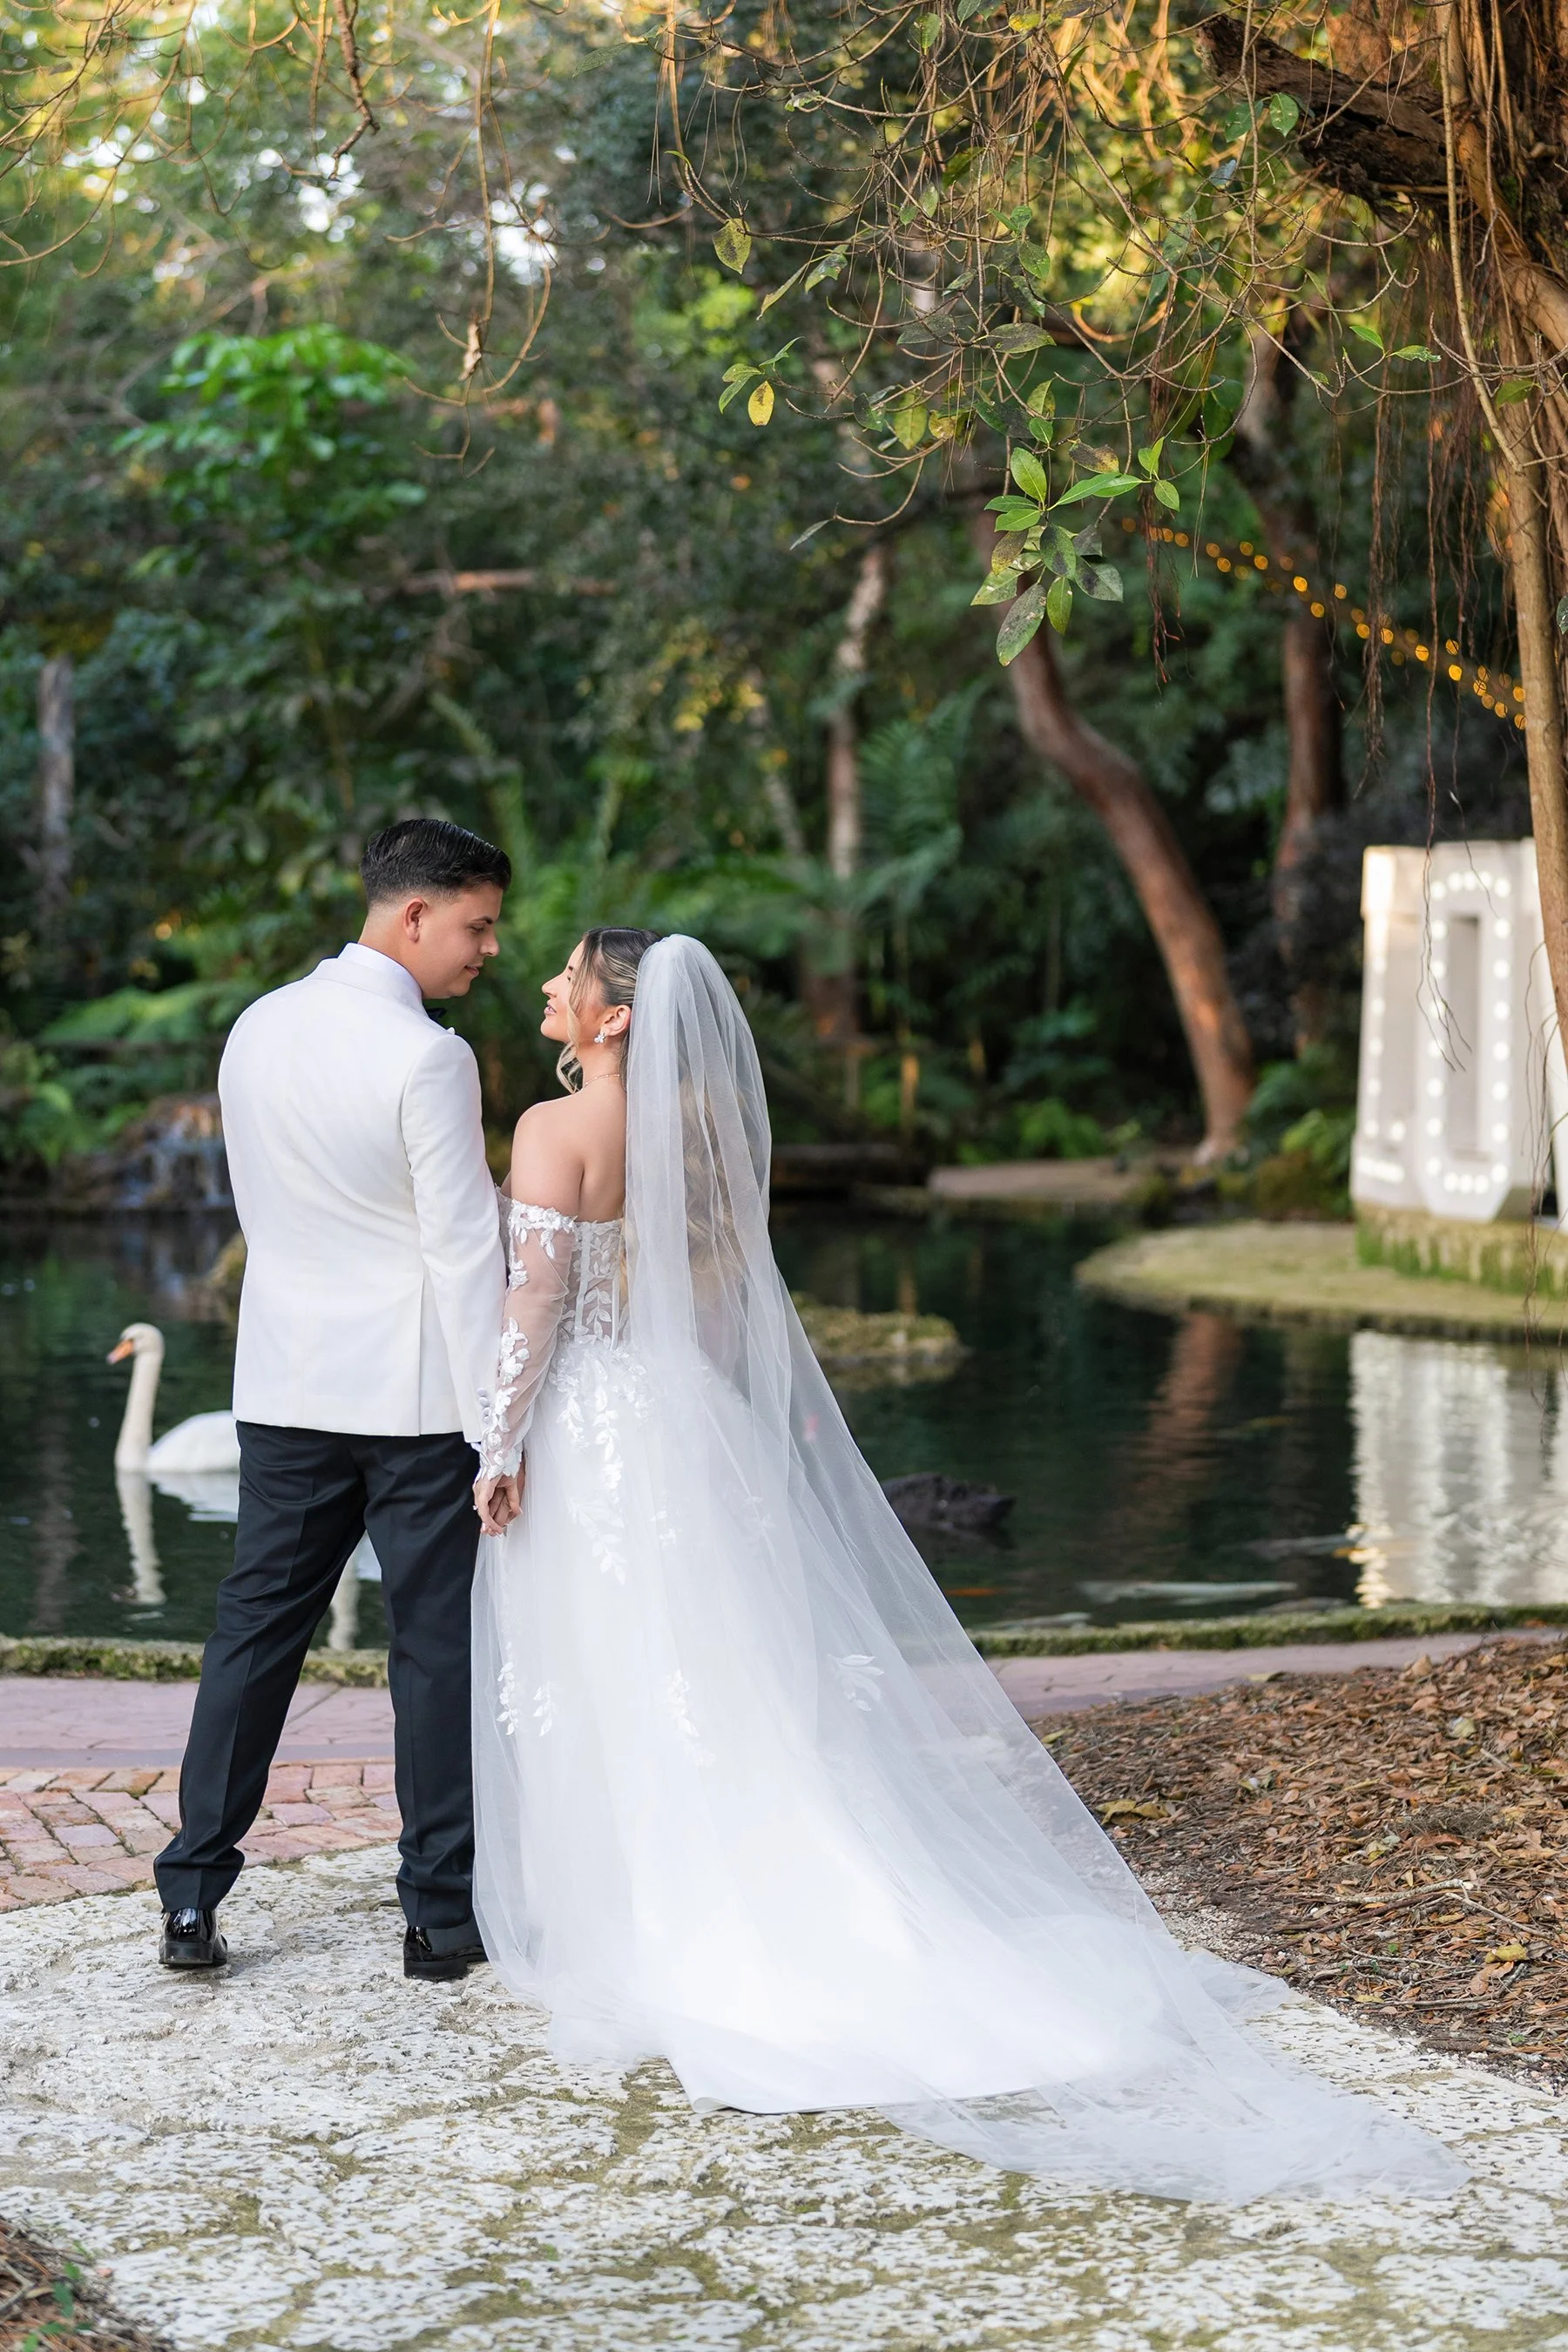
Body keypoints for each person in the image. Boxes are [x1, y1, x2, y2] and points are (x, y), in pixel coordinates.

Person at [467, 928, 1464, 2203]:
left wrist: (495, 1441)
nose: (549, 987)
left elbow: (535, 1305)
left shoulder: (553, 1136)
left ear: (610, 1022)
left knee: (616, 1662)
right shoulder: (691, 1139)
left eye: (569, 979)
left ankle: (647, 1926)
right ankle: (765, 1893)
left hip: (593, 1430)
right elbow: (716, 1311)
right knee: (717, 1671)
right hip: (678, 1420)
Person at [154, 818, 510, 1981]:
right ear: (415, 915)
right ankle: (439, 1919)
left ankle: (192, 1898)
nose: (489, 949)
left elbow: (263, 1208)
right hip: (413, 1403)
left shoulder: (255, 1029)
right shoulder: (430, 1056)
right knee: (433, 1651)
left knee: (253, 1635)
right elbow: (465, 1255)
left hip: (286, 1382)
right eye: (478, 923)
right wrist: (498, 1423)